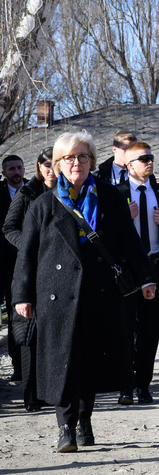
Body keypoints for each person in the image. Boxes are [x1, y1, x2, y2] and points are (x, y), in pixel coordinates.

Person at [12, 131, 156, 452]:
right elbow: (28, 255)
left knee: (89, 361)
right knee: (63, 362)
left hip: (99, 294)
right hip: (56, 297)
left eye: (83, 157)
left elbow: (130, 244)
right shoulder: (43, 204)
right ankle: (65, 427)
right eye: (69, 158)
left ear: (92, 160)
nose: (76, 163)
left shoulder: (110, 197)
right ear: (58, 164)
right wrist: (22, 296)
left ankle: (84, 419)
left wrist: (146, 278)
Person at [116, 141, 159, 404]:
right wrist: (124, 218)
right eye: (144, 159)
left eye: (151, 157)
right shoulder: (116, 193)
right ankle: (125, 385)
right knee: (125, 329)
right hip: (127, 269)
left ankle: (143, 384)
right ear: (129, 165)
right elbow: (106, 233)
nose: (150, 162)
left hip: (154, 266)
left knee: (150, 330)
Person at [3, 147, 57, 411]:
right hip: (29, 269)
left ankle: (51, 389)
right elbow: (9, 227)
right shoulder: (27, 193)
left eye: (54, 163)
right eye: (45, 164)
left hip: (60, 271)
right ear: (38, 167)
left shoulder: (71, 192)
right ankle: (31, 395)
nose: (50, 169)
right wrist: (28, 246)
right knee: (29, 332)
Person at [1, 154, 26, 381]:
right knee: (14, 316)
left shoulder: (33, 192)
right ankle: (18, 364)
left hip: (32, 264)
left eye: (19, 168)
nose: (16, 173)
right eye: (11, 169)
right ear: (4, 173)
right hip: (6, 267)